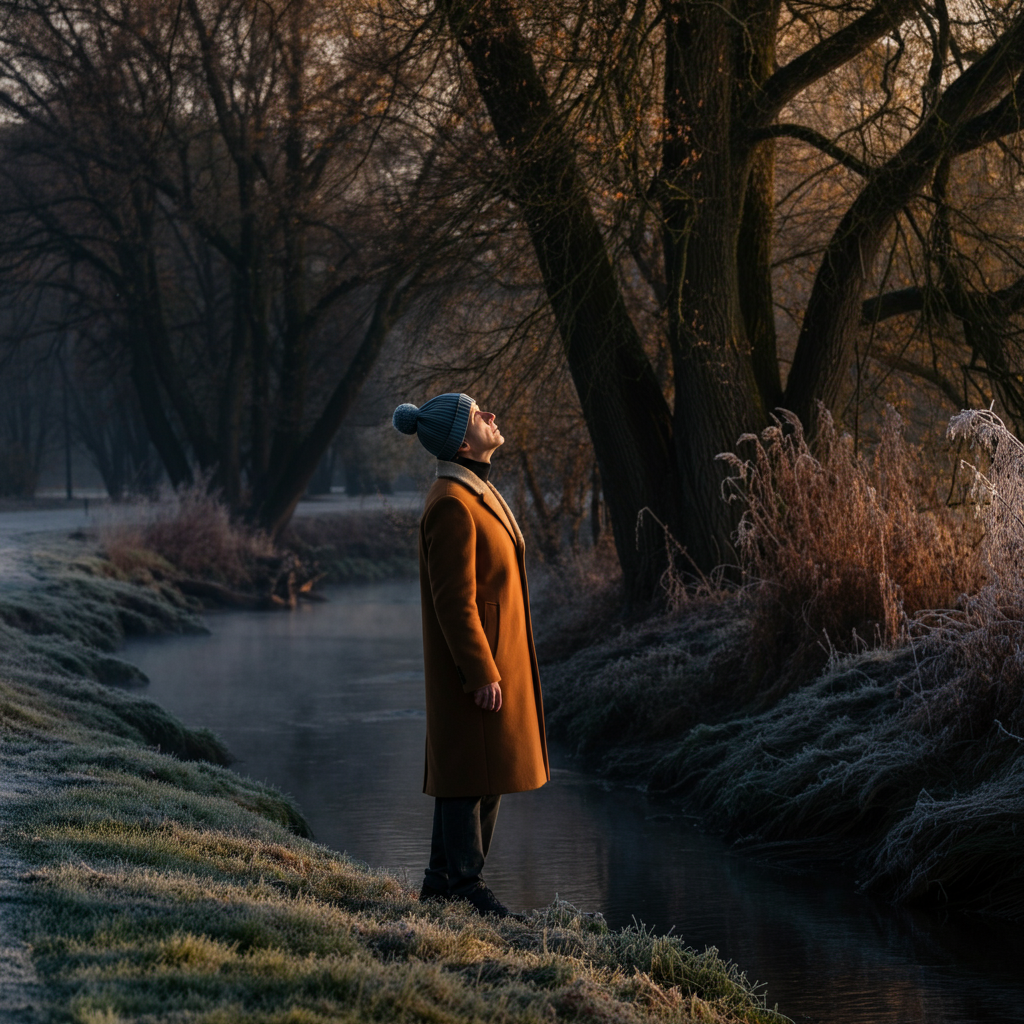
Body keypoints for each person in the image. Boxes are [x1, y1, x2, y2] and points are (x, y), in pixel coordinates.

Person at [392, 392, 549, 918]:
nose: (493, 415)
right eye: (480, 413)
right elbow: (453, 601)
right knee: (471, 772)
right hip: (476, 664)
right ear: (462, 439)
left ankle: (443, 883)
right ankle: (463, 889)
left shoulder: (470, 492)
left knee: (479, 772)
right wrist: (480, 669)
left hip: (493, 657)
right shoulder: (453, 503)